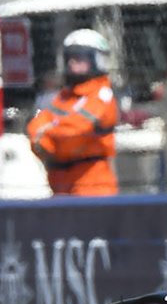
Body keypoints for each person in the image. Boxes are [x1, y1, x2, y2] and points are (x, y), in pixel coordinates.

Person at [26, 29, 120, 196]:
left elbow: (74, 133)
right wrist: (50, 138)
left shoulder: (102, 95)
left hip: (93, 189)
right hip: (60, 188)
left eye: (80, 57)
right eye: (69, 57)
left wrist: (50, 136)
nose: (72, 63)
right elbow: (36, 127)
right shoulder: (64, 97)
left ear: (98, 59)